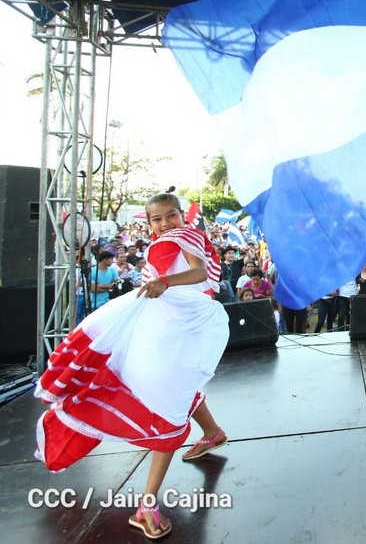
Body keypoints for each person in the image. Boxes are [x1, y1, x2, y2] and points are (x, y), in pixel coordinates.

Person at [34, 192, 230, 540]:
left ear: (182, 216)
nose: (166, 223)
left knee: (167, 407)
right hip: (167, 327)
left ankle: (147, 505)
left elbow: (199, 271)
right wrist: (160, 284)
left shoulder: (186, 236)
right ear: (149, 222)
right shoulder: (162, 246)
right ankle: (213, 433)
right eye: (158, 219)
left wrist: (164, 282)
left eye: (172, 215)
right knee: (172, 391)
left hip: (184, 326)